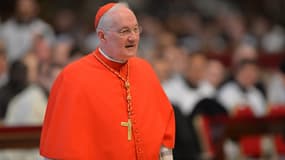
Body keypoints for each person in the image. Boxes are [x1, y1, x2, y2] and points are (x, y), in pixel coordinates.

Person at [40, 2, 175, 160]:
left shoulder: (145, 70)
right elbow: (60, 146)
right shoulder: (73, 77)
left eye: (136, 29)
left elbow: (163, 126)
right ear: (102, 36)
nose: (133, 37)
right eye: (124, 31)